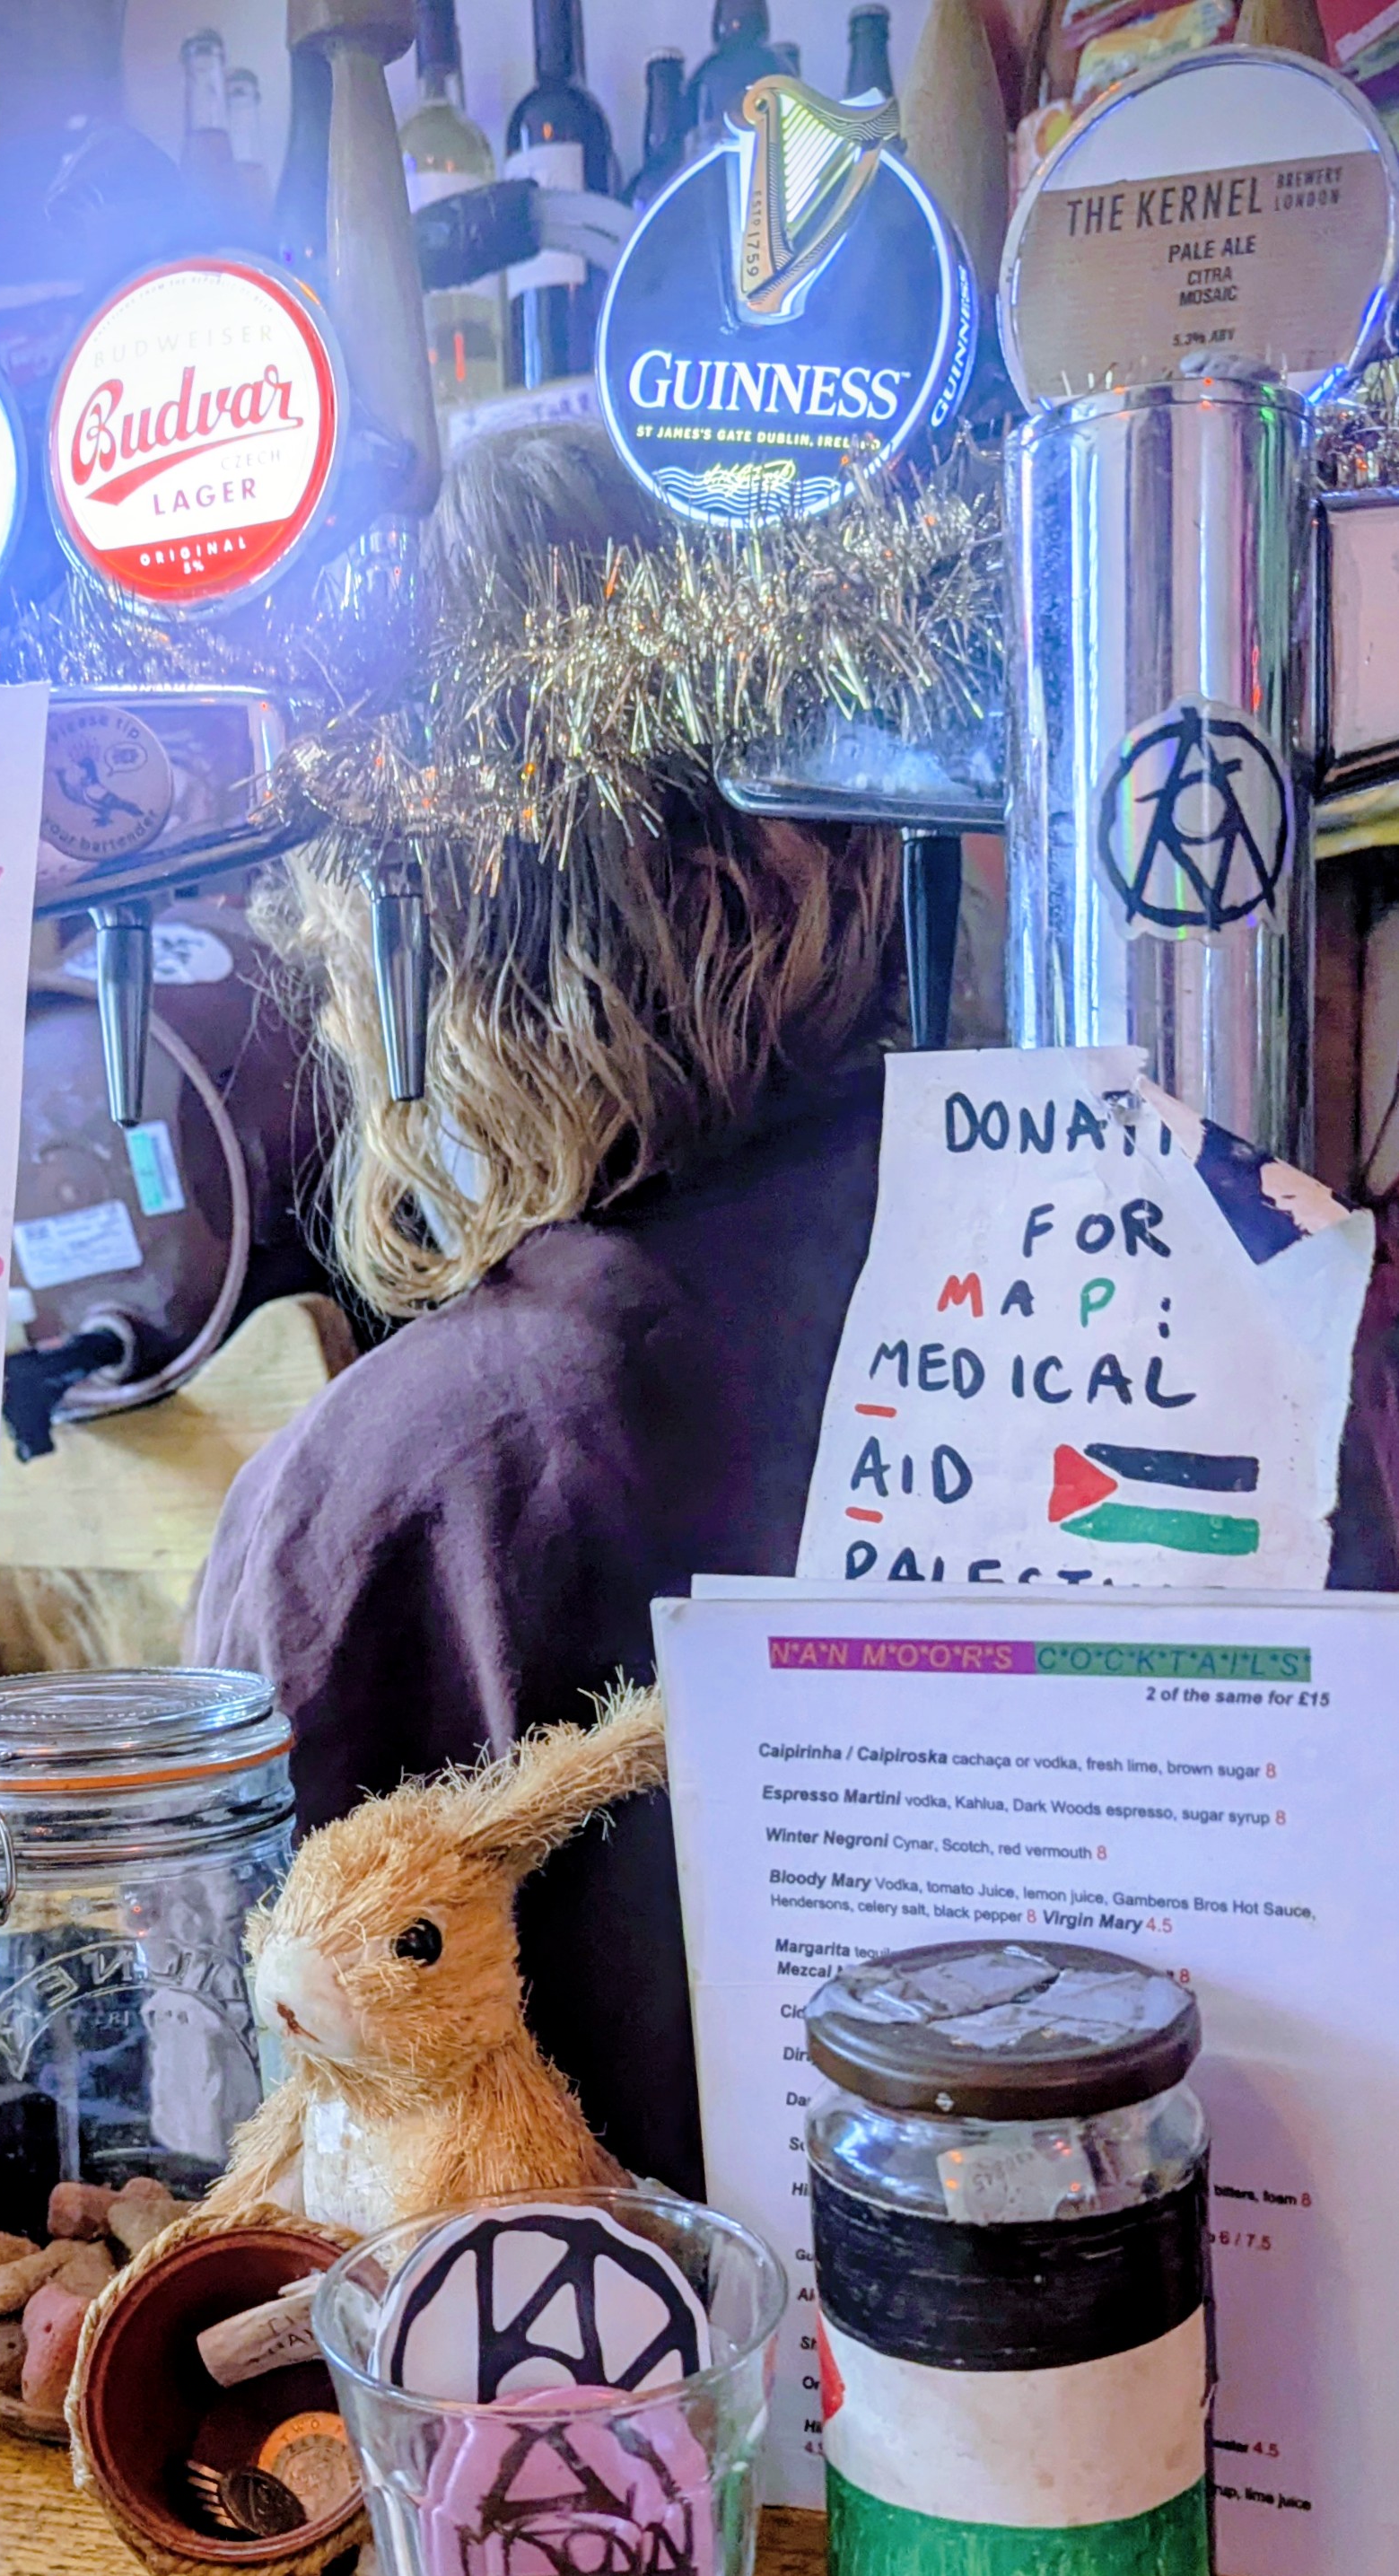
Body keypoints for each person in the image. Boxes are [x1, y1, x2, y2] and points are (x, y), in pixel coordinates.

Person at [193, 423, 1397, 2200]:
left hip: (609, 2388)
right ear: (856, 820)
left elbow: (272, 2172)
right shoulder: (1274, 1294)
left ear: (408, 923)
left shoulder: (377, 1493)